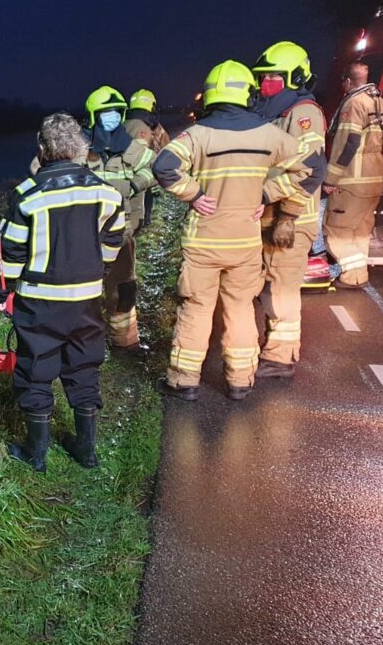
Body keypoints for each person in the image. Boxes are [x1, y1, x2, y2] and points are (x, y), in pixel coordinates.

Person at [153, 60, 323, 401]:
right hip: (245, 242)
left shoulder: (198, 134)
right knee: (241, 307)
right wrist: (267, 194)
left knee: (197, 307)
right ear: (247, 93)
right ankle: (241, 380)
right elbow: (313, 166)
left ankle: (184, 380)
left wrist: (195, 195)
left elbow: (164, 165)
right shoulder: (269, 135)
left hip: (203, 242)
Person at [0, 113, 125, 472]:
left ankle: (36, 455)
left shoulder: (28, 195)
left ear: (42, 149)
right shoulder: (104, 191)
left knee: (36, 369)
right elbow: (114, 239)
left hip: (41, 301)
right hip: (86, 300)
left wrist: (3, 292)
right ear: (81, 148)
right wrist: (101, 271)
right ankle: (86, 450)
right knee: (84, 366)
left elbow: (12, 251)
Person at [251, 41, 328, 379]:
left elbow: (312, 170)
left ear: (295, 77)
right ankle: (272, 347)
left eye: (273, 76)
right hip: (270, 215)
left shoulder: (304, 113)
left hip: (290, 219)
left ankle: (281, 358)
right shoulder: (274, 112)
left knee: (281, 287)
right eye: (263, 76)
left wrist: (289, 215)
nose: (266, 81)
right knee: (269, 284)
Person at [83, 86, 157, 355]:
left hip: (122, 230)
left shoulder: (134, 148)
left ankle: (125, 341)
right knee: (83, 288)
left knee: (124, 287)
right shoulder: (78, 148)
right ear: (93, 116)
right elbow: (41, 168)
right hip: (85, 232)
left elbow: (157, 168)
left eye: (117, 112)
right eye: (106, 113)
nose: (112, 117)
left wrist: (135, 185)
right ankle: (85, 340)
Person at [323, 61, 383, 289]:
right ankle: (358, 274)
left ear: (348, 81)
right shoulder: (377, 101)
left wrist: (331, 178)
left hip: (352, 181)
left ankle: (352, 274)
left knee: (336, 229)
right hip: (374, 180)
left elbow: (347, 143)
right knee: (360, 229)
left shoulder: (354, 103)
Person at [124, 89, 171, 230]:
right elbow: (167, 149)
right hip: (144, 177)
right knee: (142, 209)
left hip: (123, 177)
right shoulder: (152, 127)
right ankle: (144, 223)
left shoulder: (122, 124)